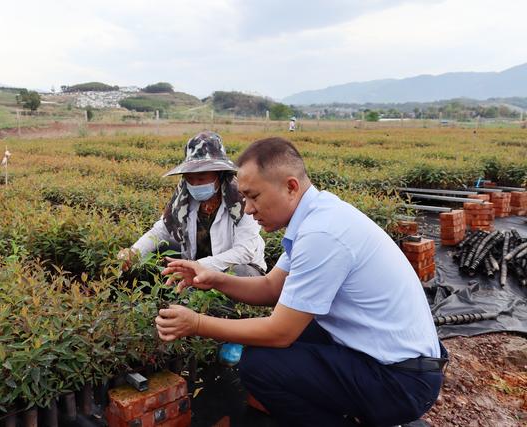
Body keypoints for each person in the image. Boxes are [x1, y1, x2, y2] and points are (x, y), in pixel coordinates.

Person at [155, 137, 447, 427]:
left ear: (291, 187)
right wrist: (214, 278)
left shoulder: (322, 234)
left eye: (254, 196)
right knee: (283, 338)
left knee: (260, 365)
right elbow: (272, 288)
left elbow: (280, 332)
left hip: (401, 382)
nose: (248, 209)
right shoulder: (316, 216)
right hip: (390, 362)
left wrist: (196, 324)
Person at [118, 131, 266, 277]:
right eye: (190, 178)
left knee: (237, 271)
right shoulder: (184, 199)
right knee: (160, 247)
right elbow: (160, 231)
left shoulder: (242, 201)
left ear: (219, 173)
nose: (194, 184)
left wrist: (200, 266)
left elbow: (244, 252)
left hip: (243, 271)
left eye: (201, 178)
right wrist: (134, 252)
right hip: (195, 267)